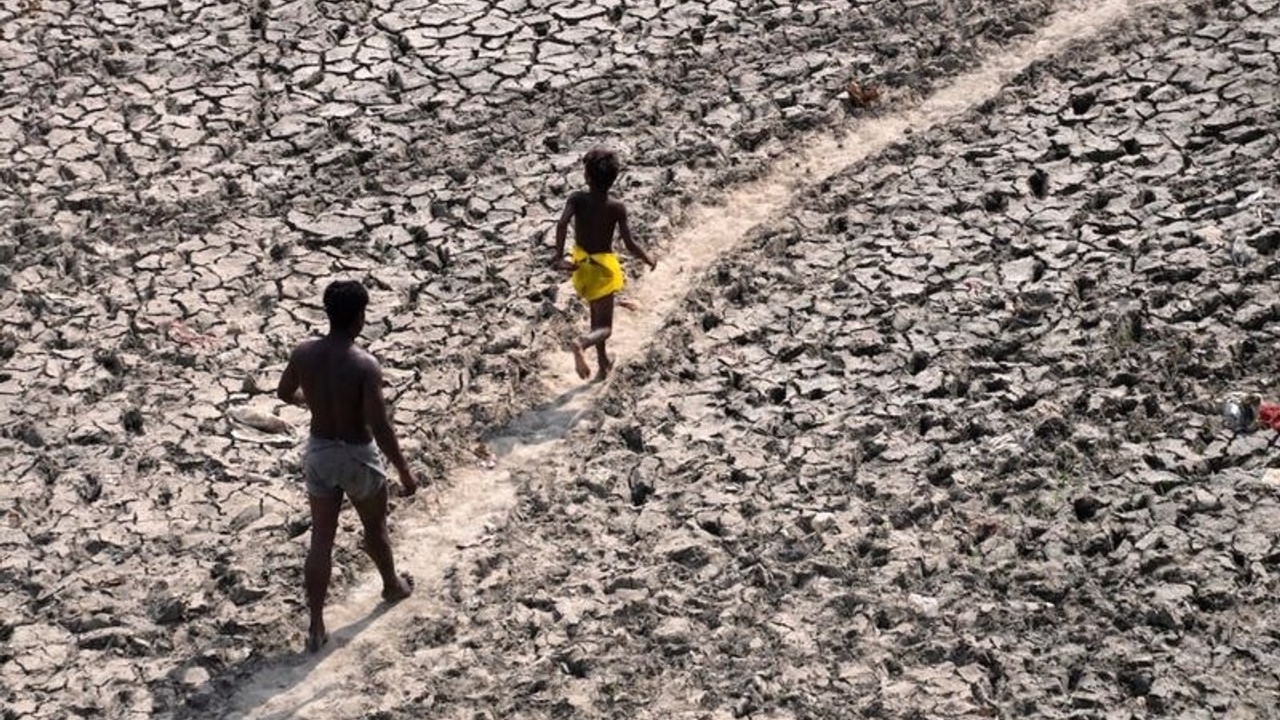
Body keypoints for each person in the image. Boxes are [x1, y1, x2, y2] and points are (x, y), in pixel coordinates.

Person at [276, 280, 417, 653]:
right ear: (359, 317)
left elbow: (284, 393)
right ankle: (391, 584)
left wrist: (315, 402)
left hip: (320, 451)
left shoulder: (304, 353)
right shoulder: (364, 364)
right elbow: (379, 424)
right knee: (374, 527)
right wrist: (403, 469)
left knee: (322, 538)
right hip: (357, 454)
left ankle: (317, 625)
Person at [552, 148, 657, 380]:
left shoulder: (576, 198)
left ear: (587, 176)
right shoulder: (616, 207)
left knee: (595, 314)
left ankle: (603, 362)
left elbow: (561, 224)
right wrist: (647, 258)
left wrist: (559, 258)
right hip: (603, 269)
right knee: (605, 327)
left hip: (580, 264)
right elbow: (629, 244)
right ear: (614, 178)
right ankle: (582, 343)